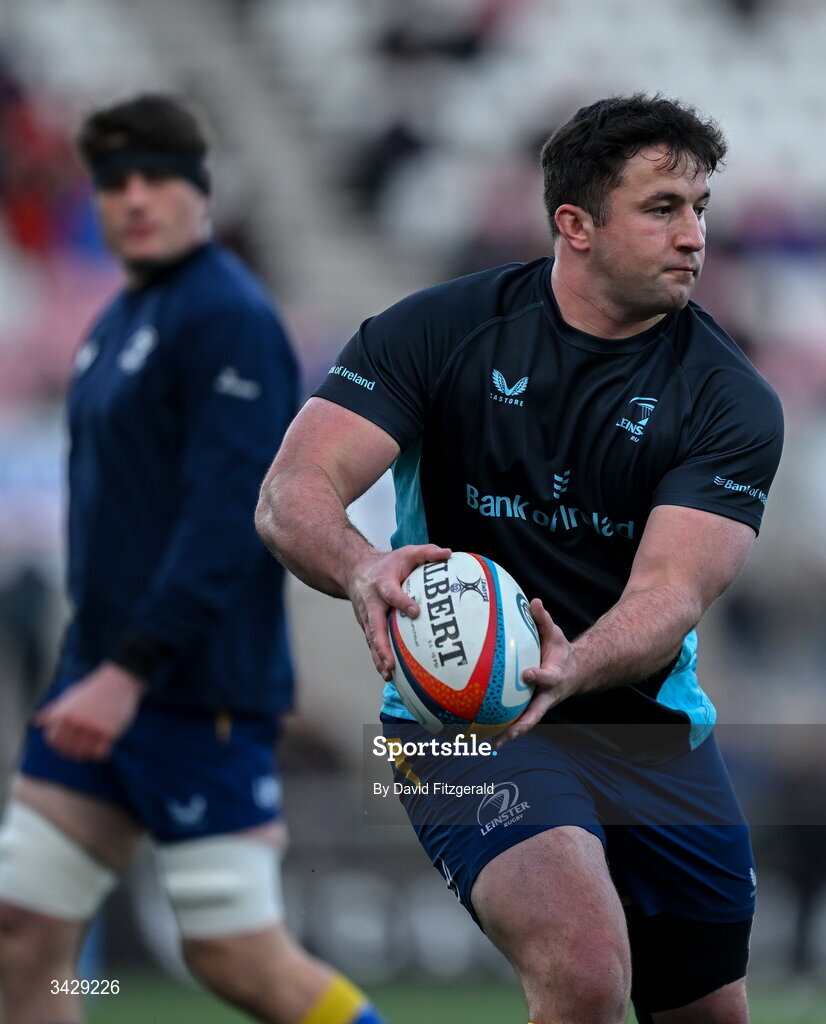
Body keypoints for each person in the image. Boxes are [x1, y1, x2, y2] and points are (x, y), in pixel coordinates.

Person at [254, 93, 784, 1024]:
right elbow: (291, 491)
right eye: (663, 208)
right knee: (583, 970)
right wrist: (359, 566)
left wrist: (573, 662)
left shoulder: (730, 399)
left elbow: (674, 588)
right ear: (574, 225)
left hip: (646, 729)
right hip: (466, 718)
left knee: (708, 1014)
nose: (695, 235)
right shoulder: (435, 333)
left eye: (701, 208)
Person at [0, 93, 385, 1024]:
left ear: (200, 191)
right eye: (114, 181)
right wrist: (93, 668)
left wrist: (127, 673)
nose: (135, 198)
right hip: (97, 684)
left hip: (189, 691)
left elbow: (229, 519)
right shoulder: (122, 320)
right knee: (23, 936)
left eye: (157, 178)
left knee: (236, 959)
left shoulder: (228, 317)